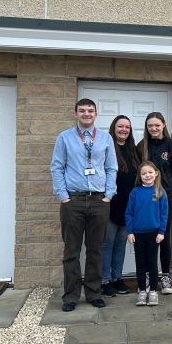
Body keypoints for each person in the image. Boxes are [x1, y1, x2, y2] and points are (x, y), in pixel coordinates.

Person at [50, 98, 117, 312]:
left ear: (96, 114)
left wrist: (108, 194)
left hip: (99, 201)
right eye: (82, 111)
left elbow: (111, 168)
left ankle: (93, 292)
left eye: (90, 111)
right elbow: (57, 167)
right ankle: (70, 296)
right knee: (71, 250)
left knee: (96, 249)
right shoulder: (65, 138)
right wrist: (63, 196)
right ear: (75, 114)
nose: (86, 114)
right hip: (73, 201)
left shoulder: (105, 138)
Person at [137, 111, 172, 295]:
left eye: (157, 125)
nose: (154, 128)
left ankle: (165, 278)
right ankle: (148, 277)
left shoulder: (171, 146)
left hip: (164, 199)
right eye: (150, 125)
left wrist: (168, 194)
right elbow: (137, 173)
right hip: (145, 202)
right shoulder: (141, 146)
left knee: (164, 238)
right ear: (146, 128)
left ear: (163, 125)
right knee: (148, 239)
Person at [101, 115, 140, 297]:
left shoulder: (134, 151)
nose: (124, 129)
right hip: (110, 205)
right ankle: (104, 280)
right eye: (120, 126)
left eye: (127, 127)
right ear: (113, 128)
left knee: (121, 245)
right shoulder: (107, 148)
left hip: (128, 207)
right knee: (107, 244)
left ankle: (117, 278)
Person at [125, 161, 169, 306]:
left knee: (152, 263)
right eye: (144, 173)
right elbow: (129, 213)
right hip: (138, 234)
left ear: (156, 173)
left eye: (150, 172)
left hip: (154, 234)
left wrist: (162, 232)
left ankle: (153, 292)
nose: (147, 175)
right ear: (140, 176)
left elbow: (164, 215)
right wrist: (130, 231)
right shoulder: (135, 192)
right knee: (140, 263)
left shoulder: (160, 192)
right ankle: (142, 291)